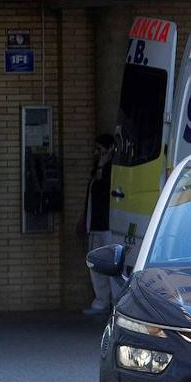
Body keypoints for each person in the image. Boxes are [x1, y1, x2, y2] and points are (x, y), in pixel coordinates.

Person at [79, 134, 119, 316]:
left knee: (112, 264)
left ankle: (115, 302)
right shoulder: (96, 170)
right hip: (94, 224)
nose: (96, 153)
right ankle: (101, 300)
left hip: (108, 224)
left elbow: (105, 190)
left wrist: (104, 163)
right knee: (95, 265)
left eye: (100, 150)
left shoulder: (112, 170)